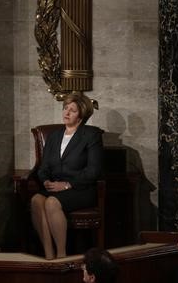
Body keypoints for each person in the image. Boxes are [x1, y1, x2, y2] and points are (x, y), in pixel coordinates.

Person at [30, 93, 103, 259]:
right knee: (36, 200)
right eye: (65, 108)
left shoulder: (91, 135)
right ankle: (49, 256)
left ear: (81, 115)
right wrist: (46, 181)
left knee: (51, 202)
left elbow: (94, 171)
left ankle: (62, 256)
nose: (67, 112)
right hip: (55, 187)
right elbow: (43, 168)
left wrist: (67, 185)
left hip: (80, 189)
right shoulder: (54, 136)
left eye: (73, 110)